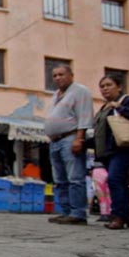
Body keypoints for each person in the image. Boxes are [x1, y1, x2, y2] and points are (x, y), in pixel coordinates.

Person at [92, 74, 129, 230]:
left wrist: (119, 107)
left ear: (119, 87)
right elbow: (101, 132)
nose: (105, 88)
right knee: (120, 182)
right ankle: (126, 216)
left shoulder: (127, 101)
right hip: (108, 152)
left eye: (108, 85)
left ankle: (118, 216)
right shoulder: (104, 107)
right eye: (102, 86)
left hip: (123, 148)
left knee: (114, 179)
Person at [44, 64, 93, 225]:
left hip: (70, 138)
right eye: (55, 75)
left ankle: (78, 213)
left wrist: (79, 139)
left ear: (71, 75)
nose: (57, 78)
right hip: (55, 141)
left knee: (75, 178)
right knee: (60, 180)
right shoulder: (56, 95)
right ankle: (65, 212)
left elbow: (84, 117)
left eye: (61, 74)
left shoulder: (80, 91)